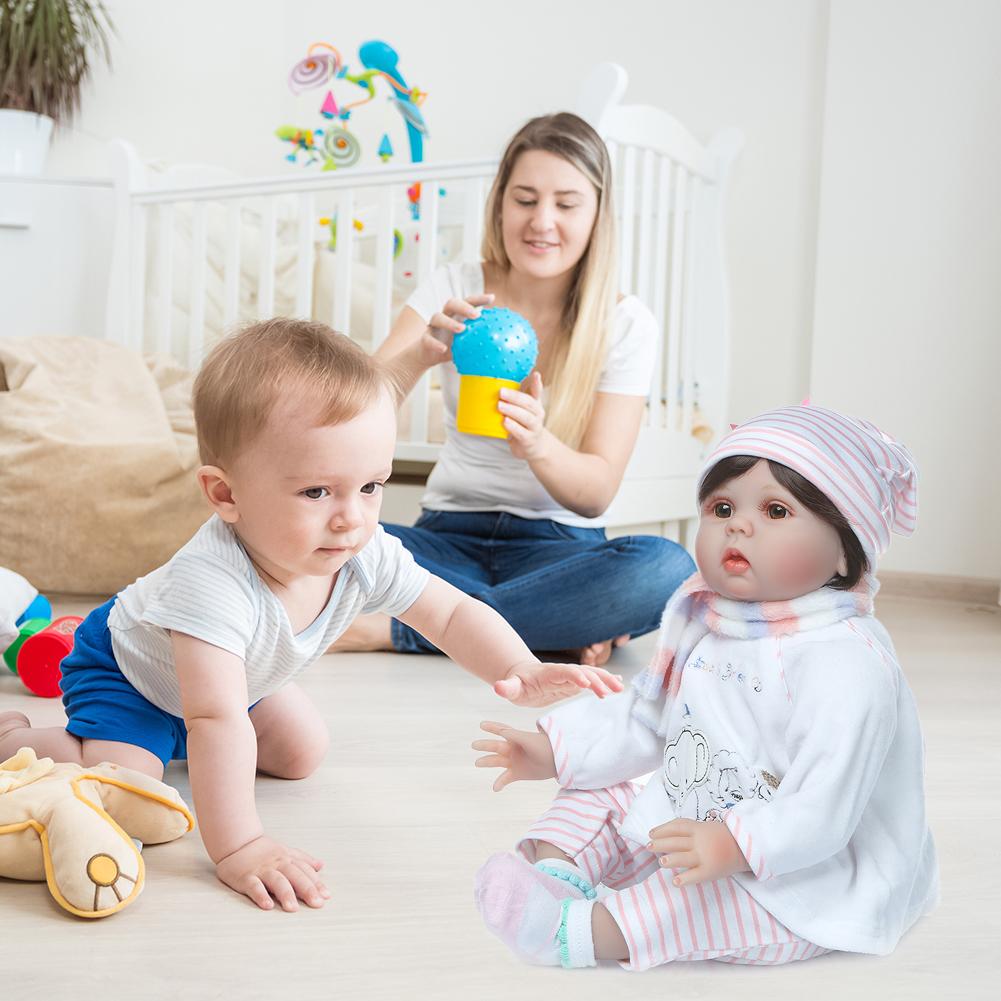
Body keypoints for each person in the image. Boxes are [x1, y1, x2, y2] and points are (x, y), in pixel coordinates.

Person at [0, 319, 623, 913]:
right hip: (128, 672)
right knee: (131, 781)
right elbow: (215, 718)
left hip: (229, 683)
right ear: (225, 494)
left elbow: (452, 612)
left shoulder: (359, 550)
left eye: (372, 486)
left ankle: (174, 742)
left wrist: (518, 665)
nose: (351, 516)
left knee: (300, 752)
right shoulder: (209, 585)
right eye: (316, 492)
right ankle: (21, 738)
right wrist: (240, 846)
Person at [471, 404, 938, 970]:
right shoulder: (710, 622)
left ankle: (577, 932)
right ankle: (556, 872)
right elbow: (648, 718)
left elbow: (824, 808)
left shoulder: (846, 665)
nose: (738, 525)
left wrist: (734, 845)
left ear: (844, 549)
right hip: (702, 811)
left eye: (774, 510)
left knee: (706, 902)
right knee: (603, 783)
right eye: (722, 508)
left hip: (805, 868)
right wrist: (551, 750)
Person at [333, 112, 695, 666]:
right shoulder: (454, 286)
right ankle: (547, 625)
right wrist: (421, 353)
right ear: (500, 202)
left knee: (668, 571)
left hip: (558, 550)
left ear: (597, 213)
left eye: (566, 204)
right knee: (309, 534)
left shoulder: (625, 323)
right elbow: (353, 416)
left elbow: (595, 492)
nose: (542, 221)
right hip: (445, 540)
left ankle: (398, 628)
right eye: (525, 199)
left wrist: (539, 446)